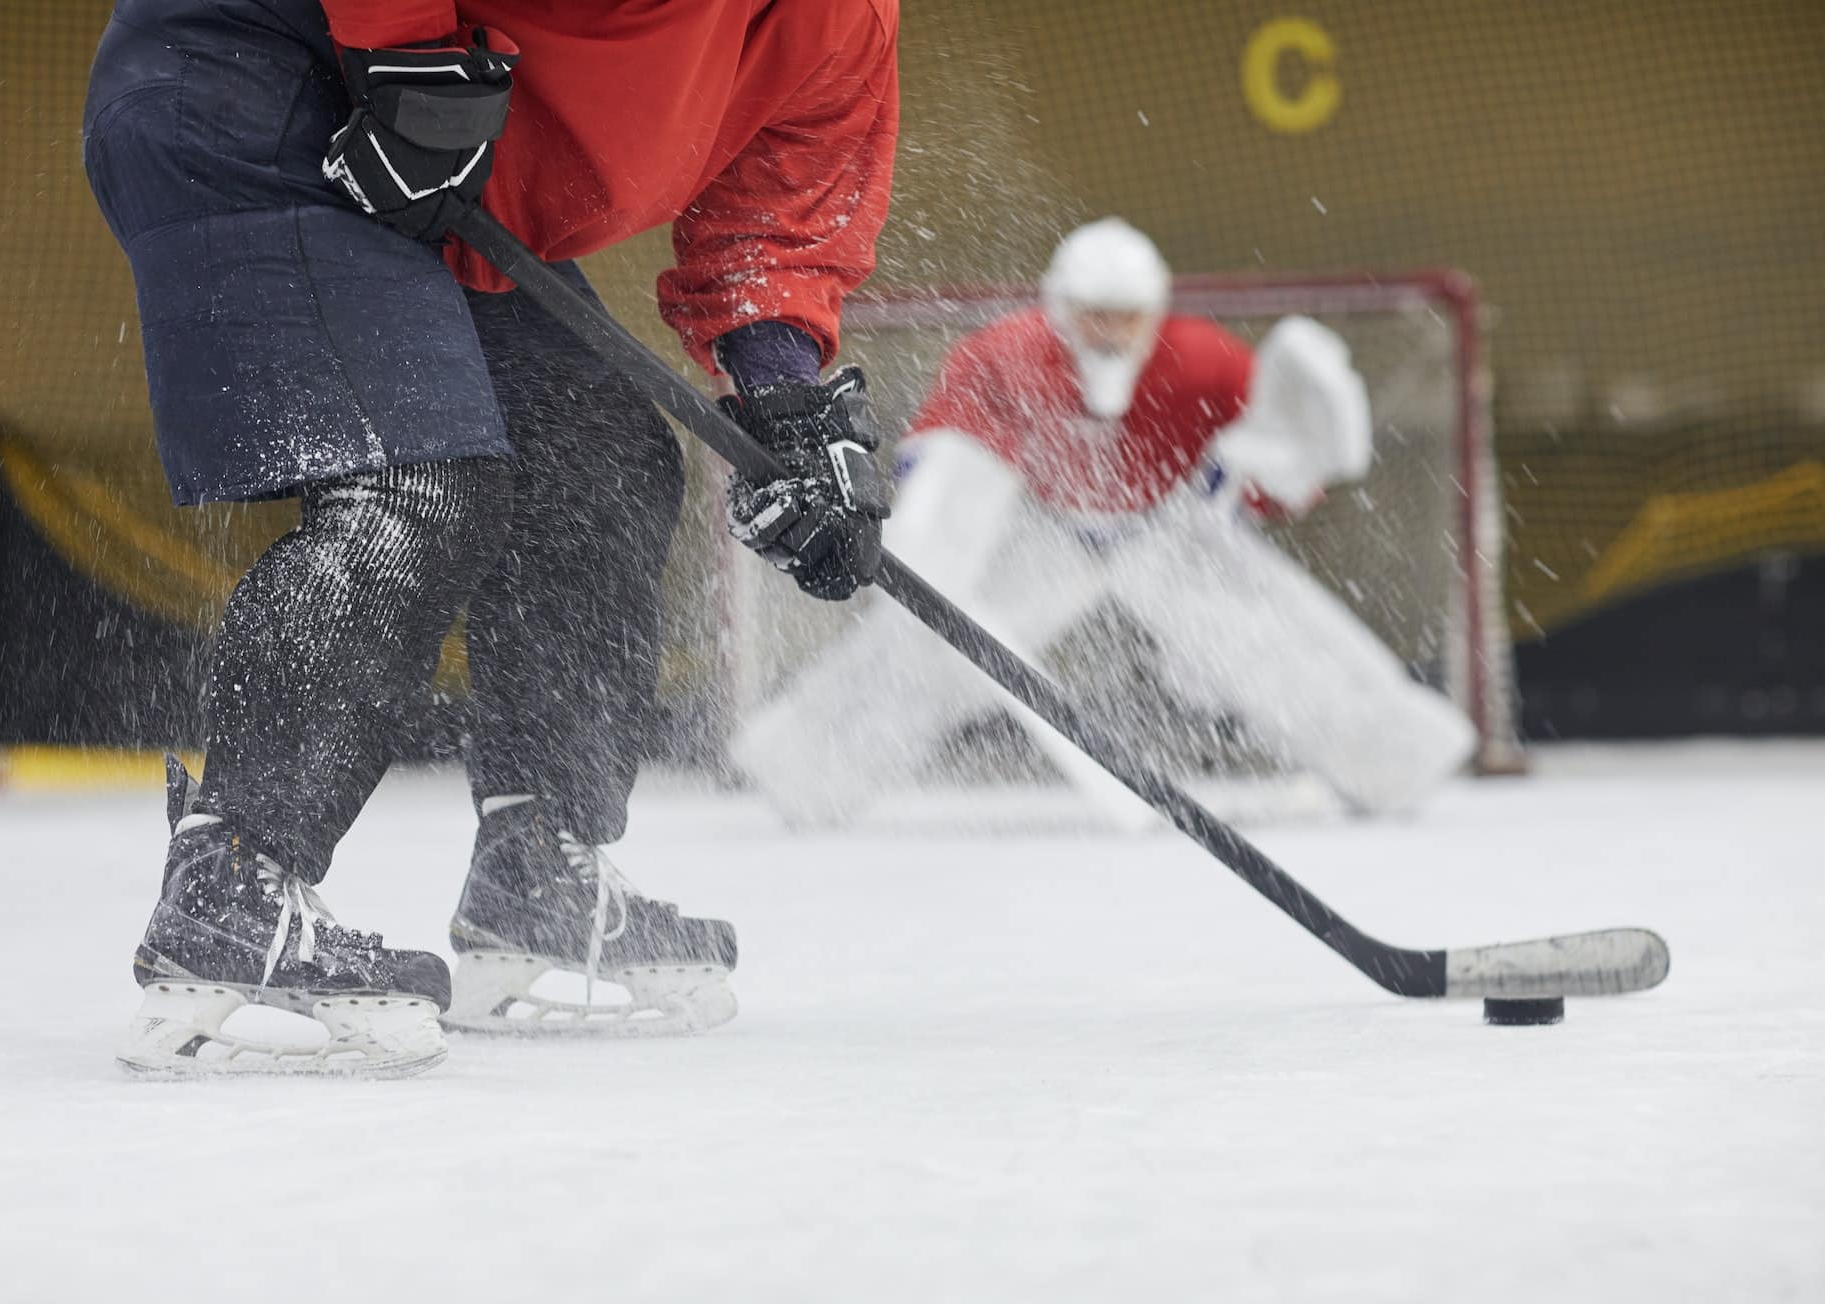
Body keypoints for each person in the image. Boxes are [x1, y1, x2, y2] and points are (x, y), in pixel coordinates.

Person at [84, 0, 898, 1075]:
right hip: (261, 71)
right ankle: (233, 883)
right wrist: (407, 49)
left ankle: (537, 866)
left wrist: (784, 409)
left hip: (442, 152)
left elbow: (776, 220)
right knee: (414, 477)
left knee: (597, 459)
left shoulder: (844, 22)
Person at [732, 219, 1475, 831]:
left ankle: (1392, 764)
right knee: (924, 644)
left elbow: (1260, 481)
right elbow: (948, 453)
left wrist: (1293, 455)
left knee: (1280, 643)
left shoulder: (1206, 360)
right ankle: (806, 773)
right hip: (1040, 535)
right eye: (1097, 312)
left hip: (1166, 535)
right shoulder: (1004, 354)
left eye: (1129, 315)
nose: (1114, 332)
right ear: (1061, 305)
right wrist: (936, 539)